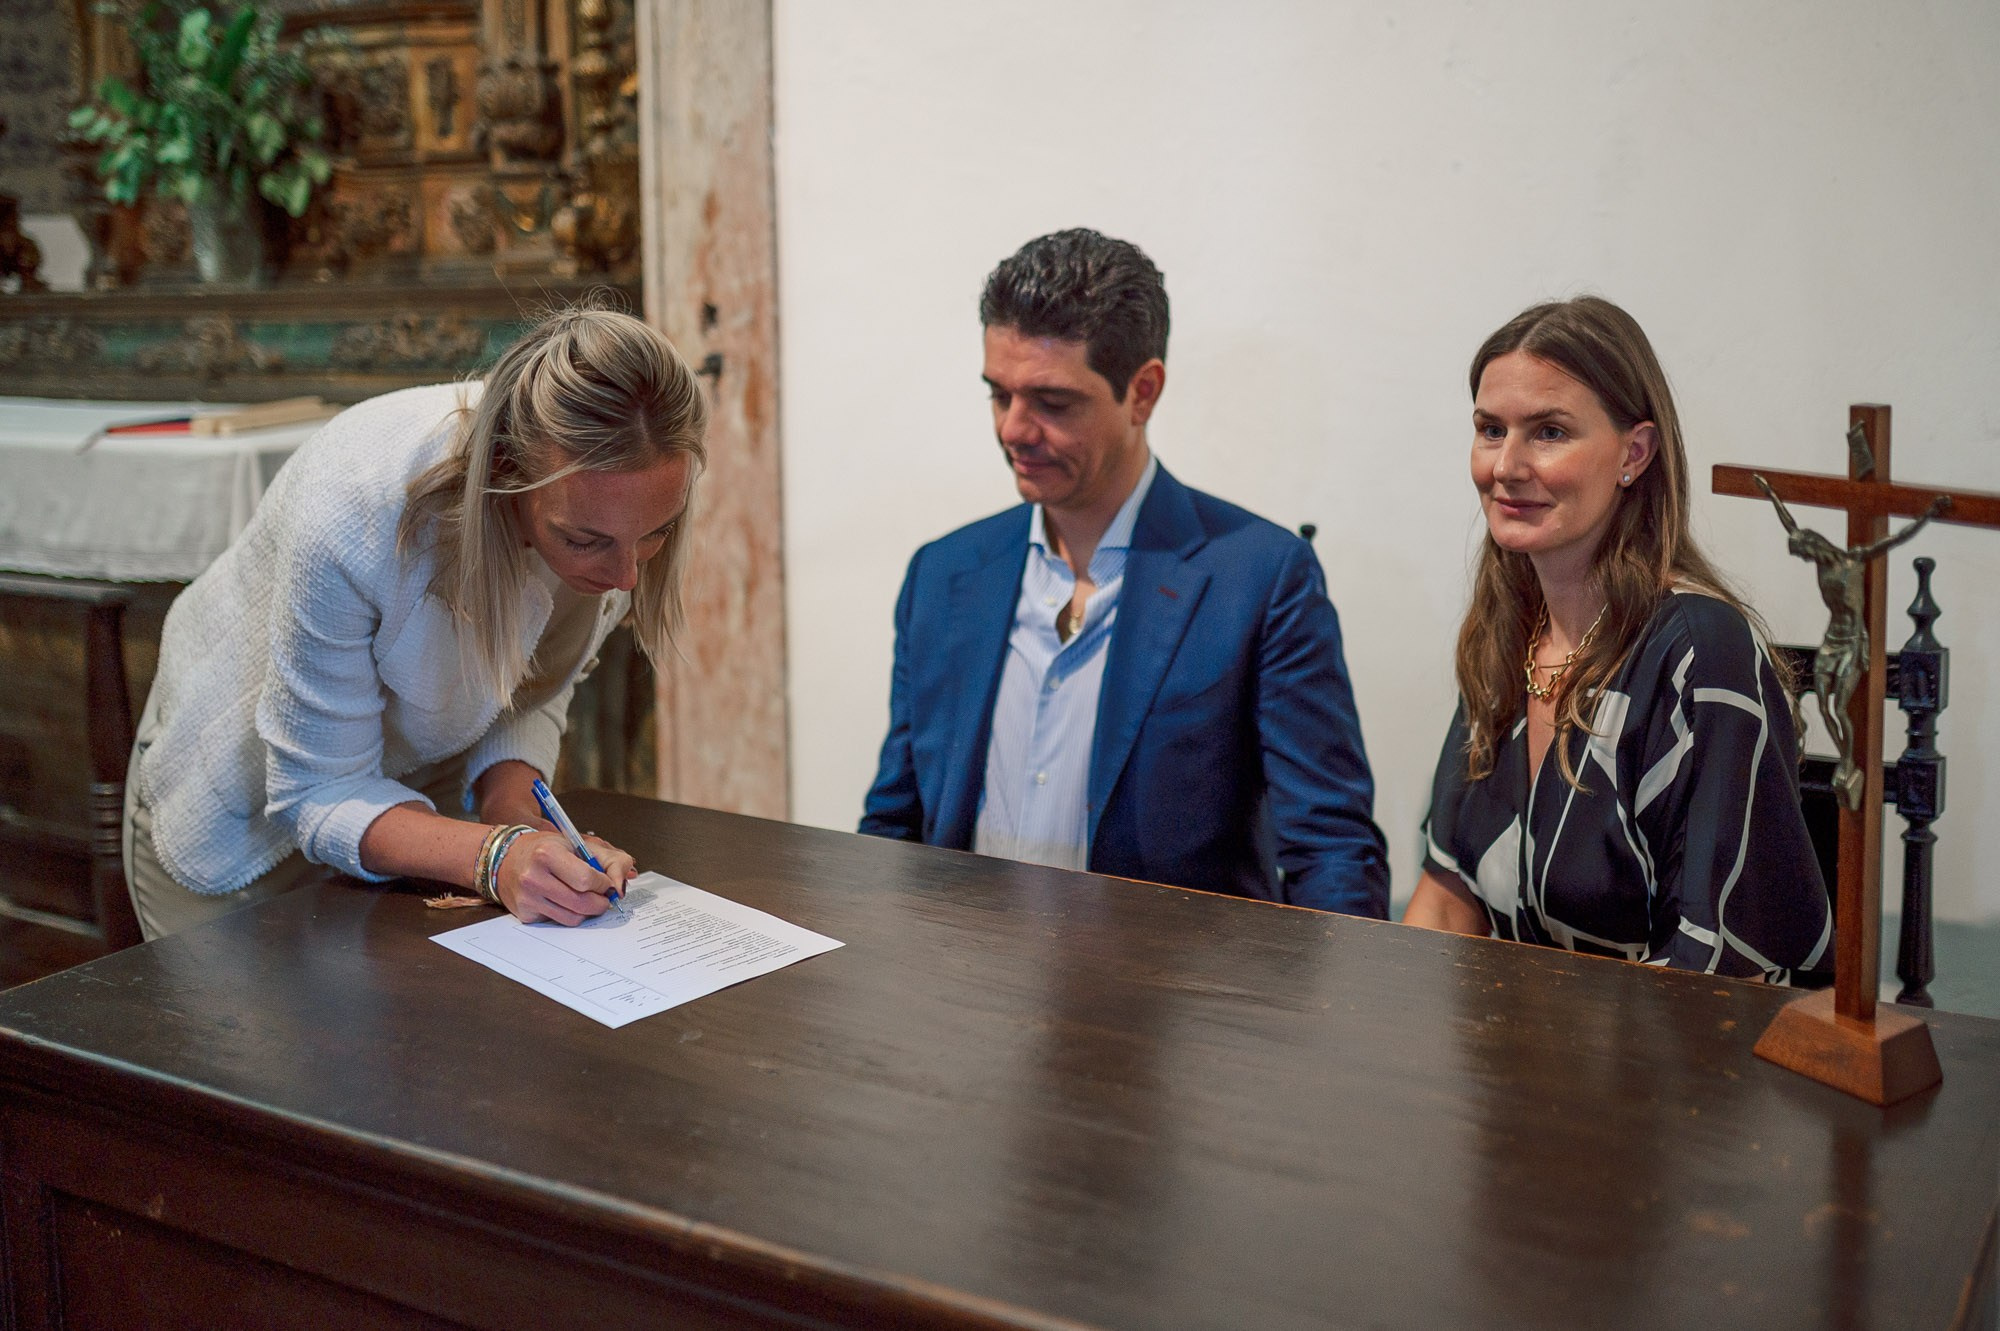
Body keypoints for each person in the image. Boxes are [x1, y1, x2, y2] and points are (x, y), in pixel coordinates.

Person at [123, 307, 706, 939]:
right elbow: (315, 791)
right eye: (587, 541)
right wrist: (494, 856)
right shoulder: (355, 511)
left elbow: (528, 693)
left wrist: (516, 818)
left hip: (417, 805)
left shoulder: (616, 497)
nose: (626, 577)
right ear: (508, 470)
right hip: (241, 819)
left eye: (655, 534)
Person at [860, 228, 1389, 916]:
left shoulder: (1259, 579)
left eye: (1052, 403)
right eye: (999, 394)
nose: (1014, 429)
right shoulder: (943, 574)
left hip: (1171, 1007)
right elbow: (894, 824)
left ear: (1142, 393)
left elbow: (1331, 850)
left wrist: (1329, 1016)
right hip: (965, 989)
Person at [1404, 296, 1831, 981]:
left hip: (1679, 1067)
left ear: (1634, 452)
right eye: (1490, 429)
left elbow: (1708, 965)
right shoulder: (1505, 633)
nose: (1506, 465)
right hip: (1525, 1059)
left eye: (1548, 432)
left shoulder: (1702, 655)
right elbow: (1447, 901)